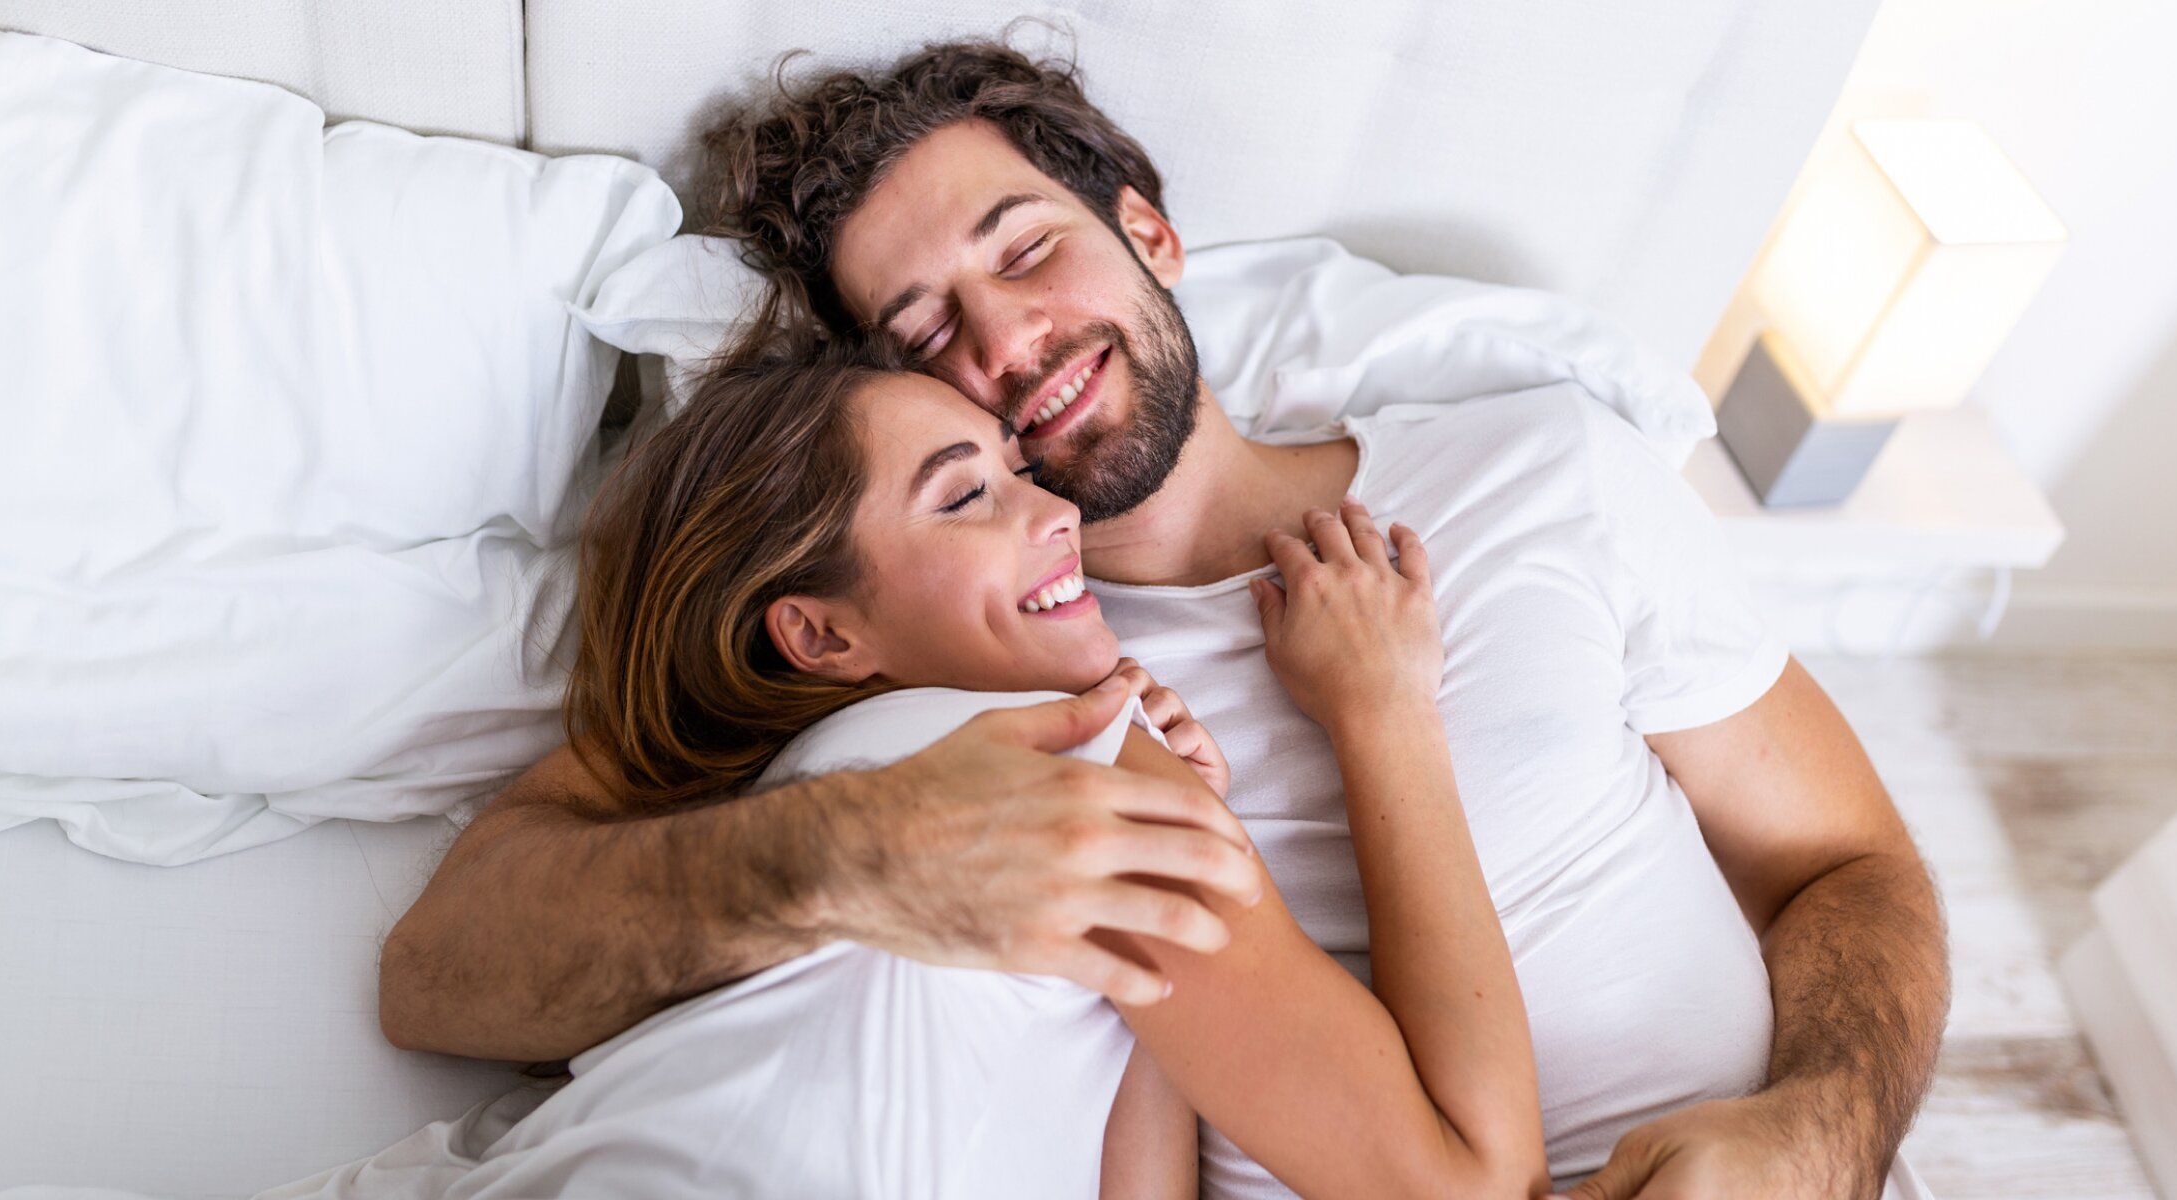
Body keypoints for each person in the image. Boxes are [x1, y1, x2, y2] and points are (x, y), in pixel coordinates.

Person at [380, 39, 1949, 1199]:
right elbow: (451, 968)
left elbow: (1851, 864)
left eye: (1026, 247)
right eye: (924, 329)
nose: (1006, 340)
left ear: (1153, 235)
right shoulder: (953, 656)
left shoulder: (1544, 469)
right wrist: (846, 855)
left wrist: (1826, 1125)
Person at [362, 331, 1545, 1199]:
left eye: (1020, 472)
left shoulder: (745, 818)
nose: (1057, 513)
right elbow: (1466, 1184)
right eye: (965, 494)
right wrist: (1388, 712)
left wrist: (1158, 960)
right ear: (821, 635)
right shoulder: (1035, 753)